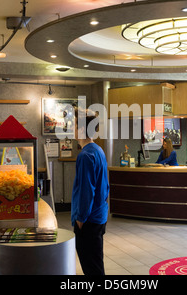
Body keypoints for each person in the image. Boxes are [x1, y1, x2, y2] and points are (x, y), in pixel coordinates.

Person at [71, 107, 110, 275]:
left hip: (88, 221)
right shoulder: (98, 151)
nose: (72, 128)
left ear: (81, 129)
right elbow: (105, 187)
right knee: (95, 265)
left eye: (74, 124)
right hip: (98, 217)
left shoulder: (85, 155)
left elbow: (87, 191)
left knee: (92, 269)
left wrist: (80, 219)